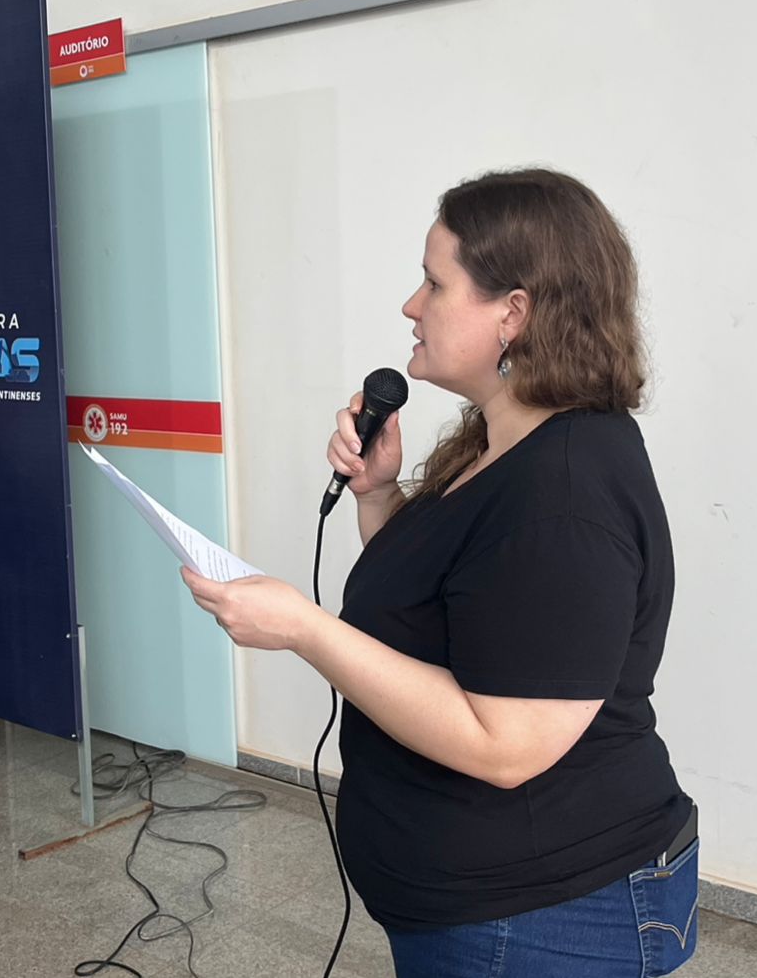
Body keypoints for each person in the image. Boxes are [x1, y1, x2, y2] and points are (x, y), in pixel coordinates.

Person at [181, 169, 698, 977]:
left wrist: (305, 630)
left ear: (513, 314)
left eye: (434, 283)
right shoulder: (501, 443)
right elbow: (451, 609)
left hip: (542, 915)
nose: (410, 305)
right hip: (482, 904)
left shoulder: (565, 494)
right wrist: (378, 493)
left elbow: (507, 744)